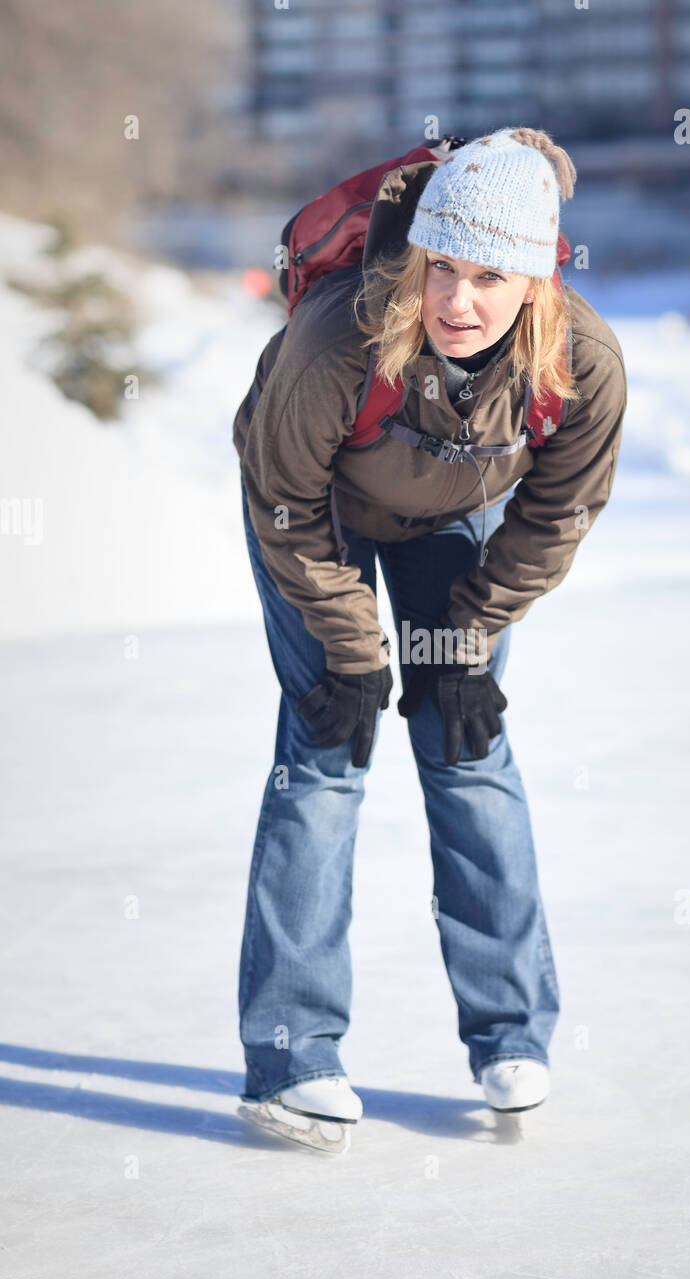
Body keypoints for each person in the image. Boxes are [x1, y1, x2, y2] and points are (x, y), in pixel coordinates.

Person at [232, 126, 627, 1147]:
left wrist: (471, 631)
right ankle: (290, 1056)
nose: (456, 301)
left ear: (535, 280)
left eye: (487, 276)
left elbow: (556, 516)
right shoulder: (339, 337)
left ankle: (509, 1034)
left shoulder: (582, 363)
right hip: (310, 521)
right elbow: (284, 502)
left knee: (465, 746)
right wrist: (355, 655)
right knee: (327, 750)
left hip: (456, 522)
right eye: (440, 268)